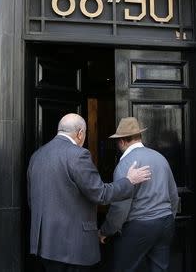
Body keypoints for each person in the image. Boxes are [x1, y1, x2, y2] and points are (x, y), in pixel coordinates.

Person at [27, 113, 152, 272]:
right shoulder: (78, 154)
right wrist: (129, 181)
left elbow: (32, 200)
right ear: (80, 133)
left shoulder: (37, 155)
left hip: (44, 246)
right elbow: (100, 194)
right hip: (73, 248)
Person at [98, 117, 179, 272]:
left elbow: (120, 208)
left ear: (121, 141)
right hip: (165, 222)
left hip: (139, 225)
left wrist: (105, 231)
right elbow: (173, 195)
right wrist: (168, 217)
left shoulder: (125, 164)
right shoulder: (160, 158)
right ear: (139, 137)